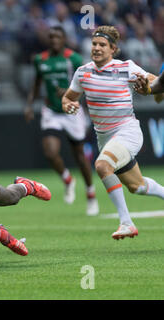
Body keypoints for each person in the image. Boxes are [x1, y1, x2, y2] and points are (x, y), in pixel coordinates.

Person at [62, 25, 164, 240]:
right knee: (137, 187)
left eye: (102, 45)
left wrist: (150, 89)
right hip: (105, 138)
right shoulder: (83, 72)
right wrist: (67, 104)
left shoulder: (126, 67)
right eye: (94, 44)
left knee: (102, 165)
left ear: (113, 49)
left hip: (127, 131)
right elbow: (69, 96)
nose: (97, 48)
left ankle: (126, 222)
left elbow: (155, 84)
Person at [24, 26, 99, 216]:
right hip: (51, 111)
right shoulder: (41, 60)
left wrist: (70, 95)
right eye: (51, 37)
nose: (54, 40)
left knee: (80, 156)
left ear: (64, 38)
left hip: (72, 111)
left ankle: (90, 194)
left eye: (57, 37)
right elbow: (36, 83)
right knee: (50, 152)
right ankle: (67, 179)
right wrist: (29, 104)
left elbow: (86, 84)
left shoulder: (73, 59)